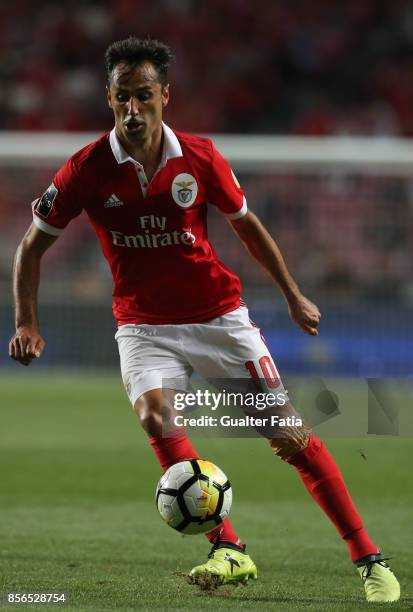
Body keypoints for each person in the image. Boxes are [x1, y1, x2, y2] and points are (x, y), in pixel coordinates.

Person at [9, 37, 399, 603]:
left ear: (165, 95)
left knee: (289, 436)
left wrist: (291, 294)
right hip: (143, 326)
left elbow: (248, 226)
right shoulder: (86, 169)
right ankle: (229, 548)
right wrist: (26, 322)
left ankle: (370, 558)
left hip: (218, 318)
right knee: (155, 417)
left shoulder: (200, 157)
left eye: (145, 96)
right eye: (123, 98)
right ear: (109, 98)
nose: (133, 109)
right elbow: (30, 246)